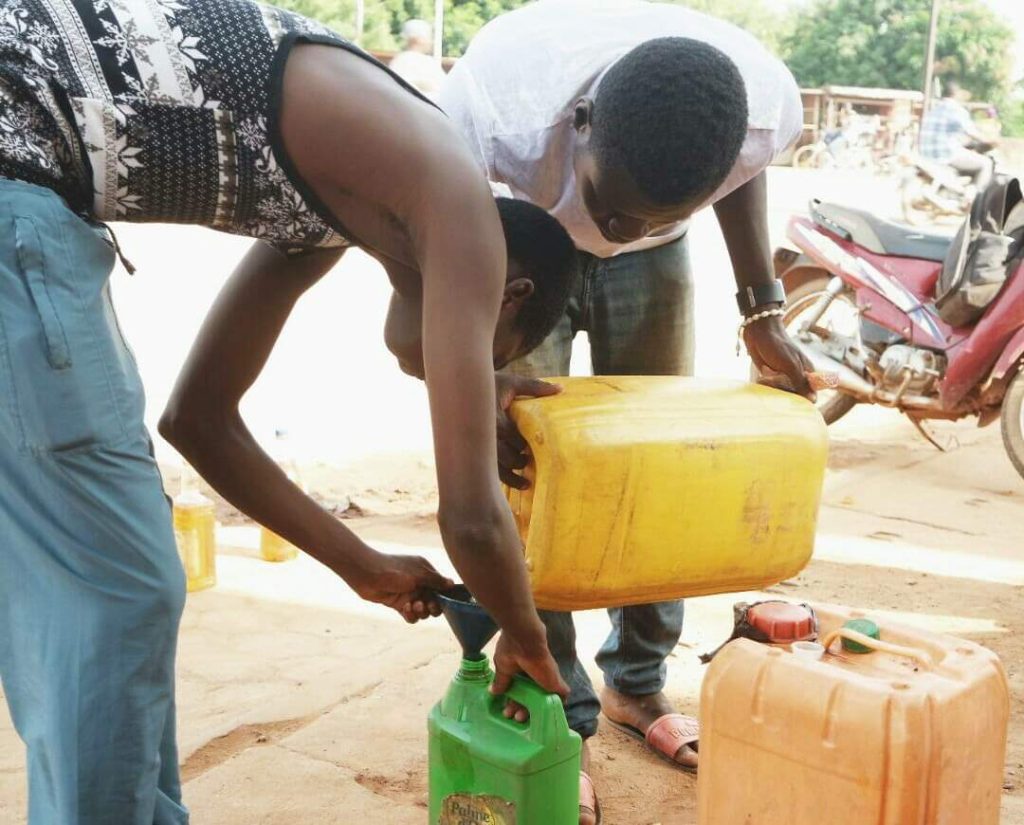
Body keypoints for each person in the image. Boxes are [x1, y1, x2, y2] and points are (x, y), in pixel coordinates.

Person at [0, 0, 579, 822]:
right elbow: (473, 518)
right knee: (117, 591)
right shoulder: (454, 196)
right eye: (492, 358)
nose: (462, 376)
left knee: (87, 587)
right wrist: (526, 633)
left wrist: (362, 566)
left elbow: (198, 418)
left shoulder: (346, 195)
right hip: (16, 178)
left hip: (32, 187)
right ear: (506, 293)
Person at [435, 2, 810, 821]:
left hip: (657, 270)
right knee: (532, 476)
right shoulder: (495, 104)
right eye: (612, 205)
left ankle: (635, 685)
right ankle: (558, 712)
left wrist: (761, 311)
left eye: (649, 215)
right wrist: (478, 365)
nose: (618, 229)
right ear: (581, 122)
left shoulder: (764, 104)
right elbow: (429, 240)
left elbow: (742, 174)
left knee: (658, 470)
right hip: (518, 247)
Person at [920, 78, 995, 191]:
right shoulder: (956, 110)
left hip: (925, 155)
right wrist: (990, 141)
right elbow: (972, 133)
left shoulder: (934, 109)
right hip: (944, 155)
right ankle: (973, 196)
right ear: (956, 94)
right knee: (986, 164)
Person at [388, 18, 447, 99]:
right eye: (429, 37)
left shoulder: (399, 61)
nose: (431, 42)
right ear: (419, 39)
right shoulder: (425, 62)